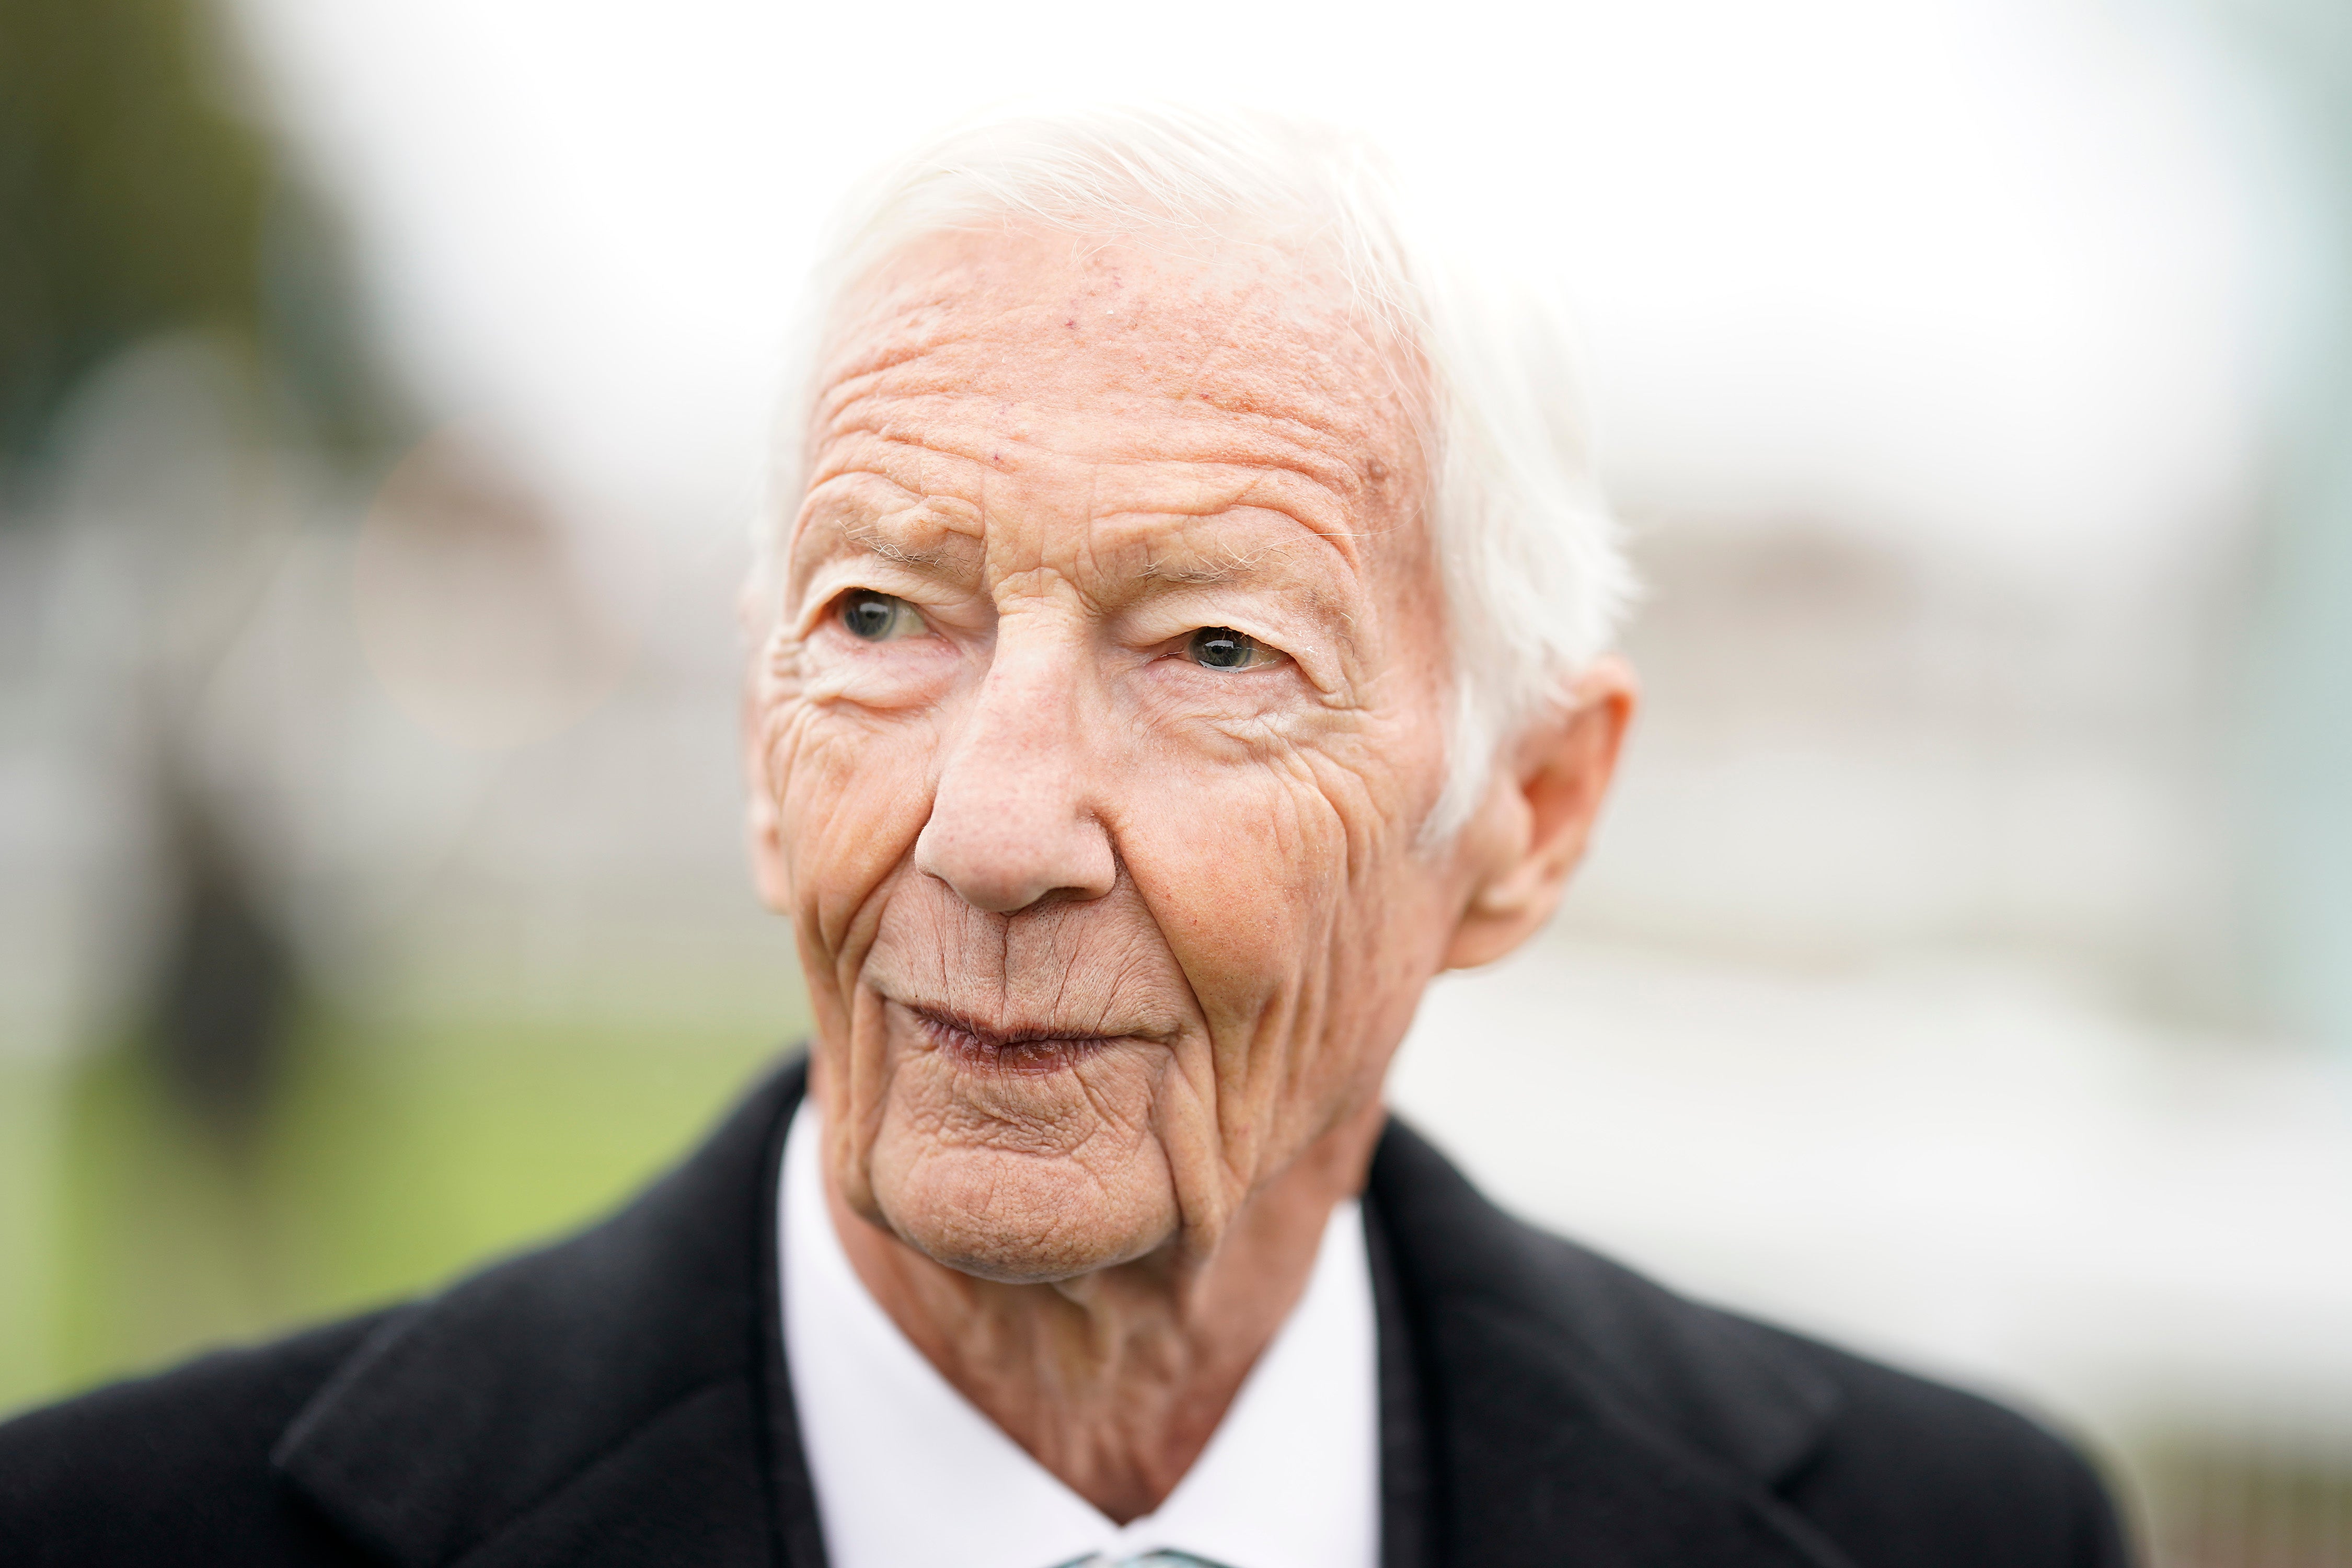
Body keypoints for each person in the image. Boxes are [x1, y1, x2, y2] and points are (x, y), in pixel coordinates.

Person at [0, 105, 2128, 1567]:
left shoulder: (1956, 1537)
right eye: (883, 620)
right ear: (762, 743)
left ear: (1526, 815)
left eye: (1208, 649)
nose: (995, 828)